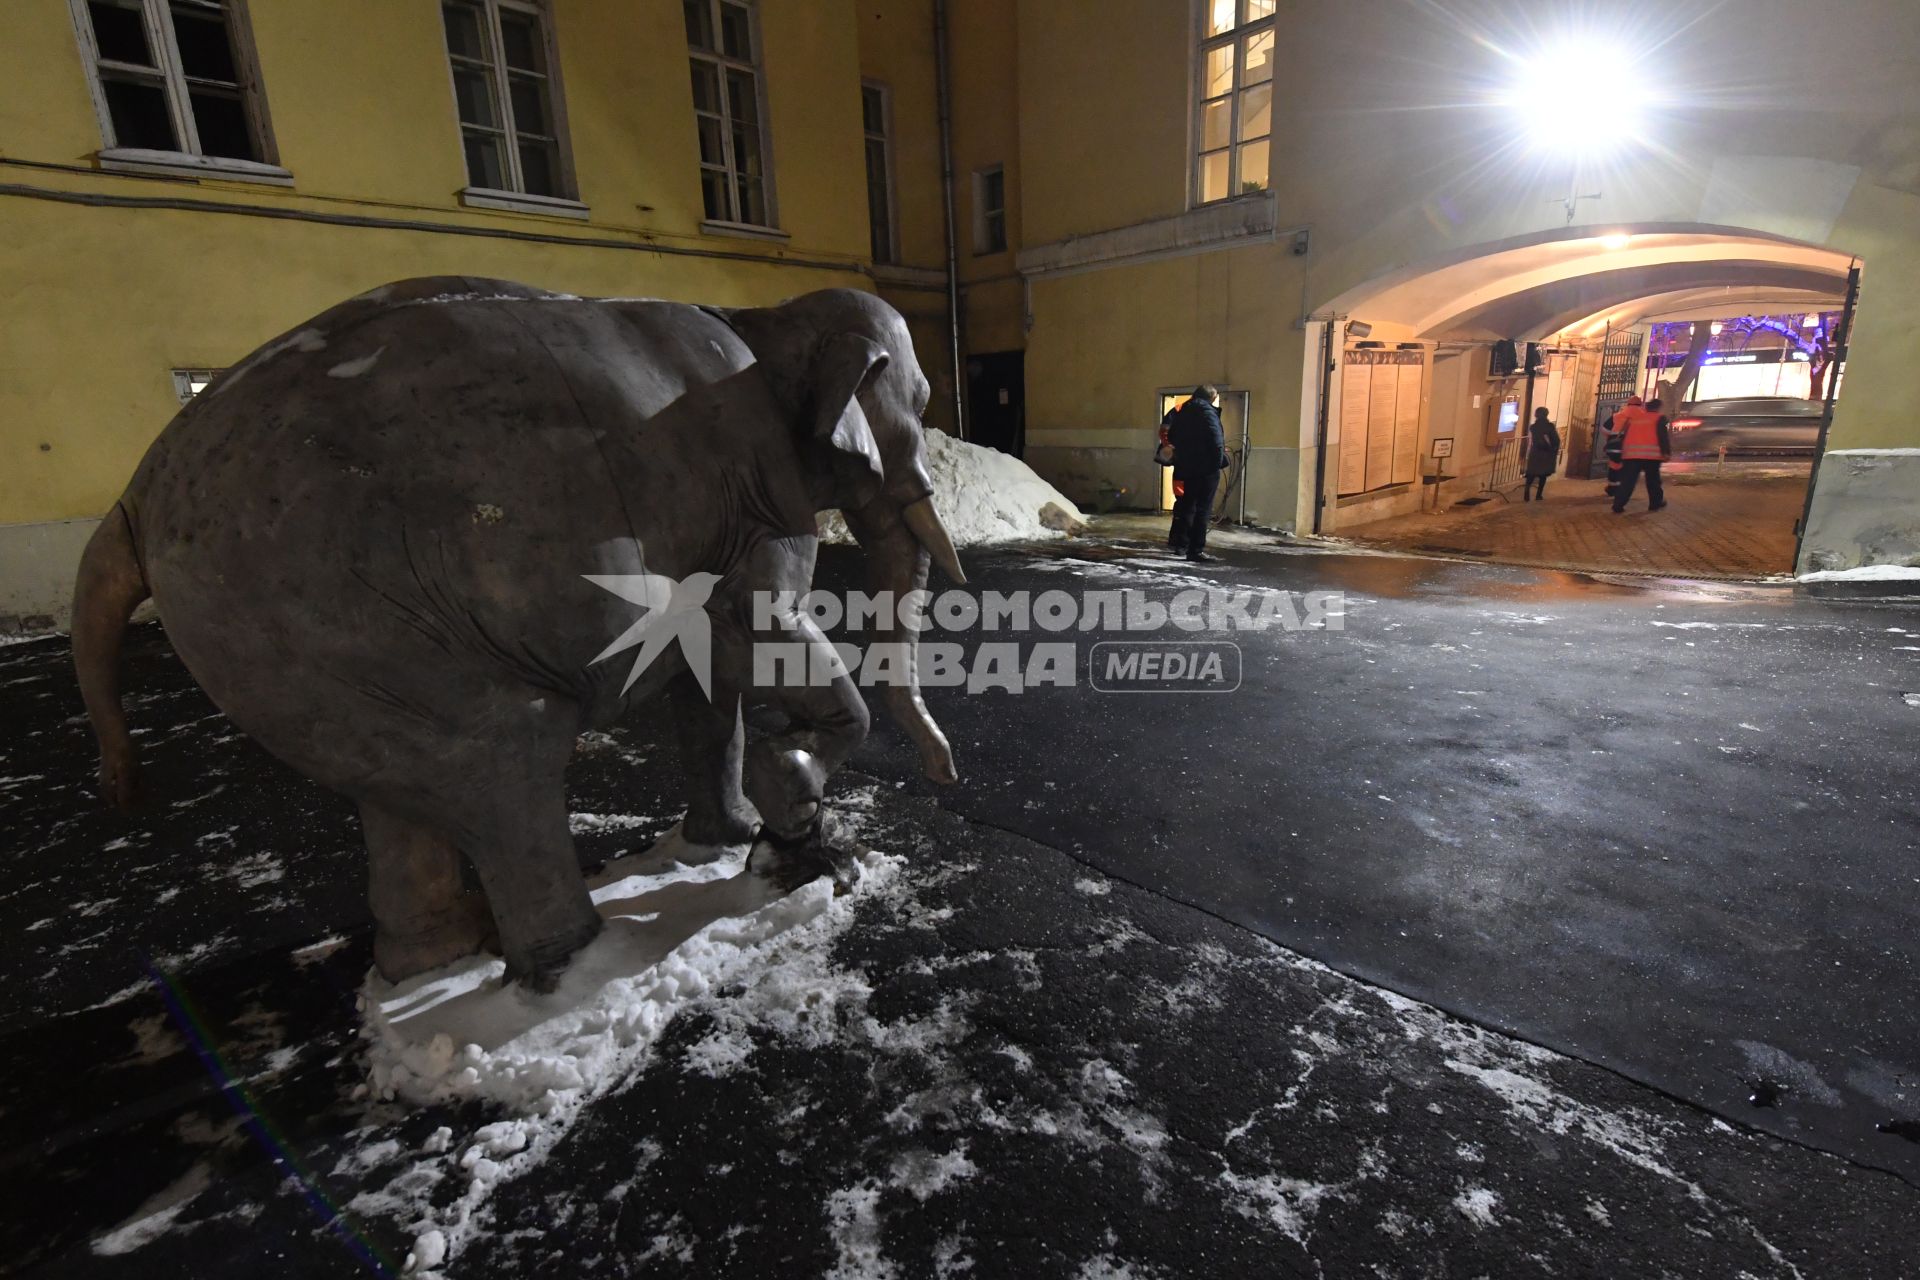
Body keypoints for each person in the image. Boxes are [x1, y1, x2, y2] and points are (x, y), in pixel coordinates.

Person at [1166, 385, 1230, 561]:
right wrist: (1217, 463)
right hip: (1205, 469)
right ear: (1211, 398)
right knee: (1203, 510)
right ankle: (1196, 550)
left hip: (1184, 468)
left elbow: (1170, 436)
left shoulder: (1182, 411)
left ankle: (1181, 545)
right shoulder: (1207, 412)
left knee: (1187, 506)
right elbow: (1216, 440)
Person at [1611, 394, 1671, 513]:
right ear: (1658, 408)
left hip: (1631, 455)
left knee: (1628, 481)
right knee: (1653, 481)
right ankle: (1655, 503)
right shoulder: (1659, 419)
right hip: (1651, 456)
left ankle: (1618, 505)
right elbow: (1662, 437)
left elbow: (1626, 434)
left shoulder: (1636, 418)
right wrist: (1666, 452)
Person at [1522, 406, 1560, 501]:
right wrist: (1553, 449)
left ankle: (1526, 493)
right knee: (1543, 475)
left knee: (1531, 473)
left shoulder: (1533, 427)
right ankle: (1538, 495)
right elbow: (1555, 439)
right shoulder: (1550, 426)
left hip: (1535, 452)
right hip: (1545, 453)